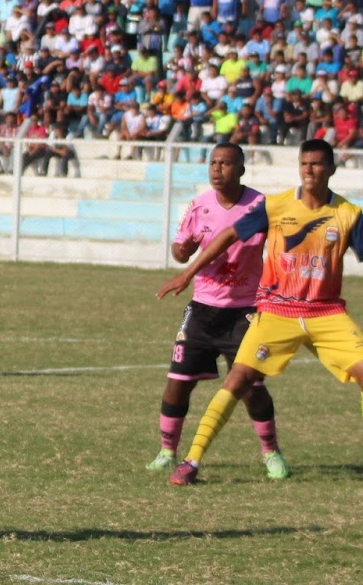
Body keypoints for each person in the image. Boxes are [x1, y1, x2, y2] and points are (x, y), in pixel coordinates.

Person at [158, 139, 363, 485]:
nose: (309, 170)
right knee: (238, 380)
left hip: (325, 312)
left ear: (331, 169)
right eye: (304, 164)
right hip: (277, 311)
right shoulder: (275, 206)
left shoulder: (349, 214)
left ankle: (265, 453)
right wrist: (188, 271)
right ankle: (190, 462)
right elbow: (227, 236)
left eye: (316, 164)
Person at [149, 143, 285, 479]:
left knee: (251, 386)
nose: (216, 170)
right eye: (212, 163)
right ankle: (167, 451)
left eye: (225, 164)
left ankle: (271, 453)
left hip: (246, 310)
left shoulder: (260, 206)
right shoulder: (200, 204)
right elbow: (181, 251)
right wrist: (182, 250)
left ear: (240, 169)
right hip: (203, 307)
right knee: (177, 383)